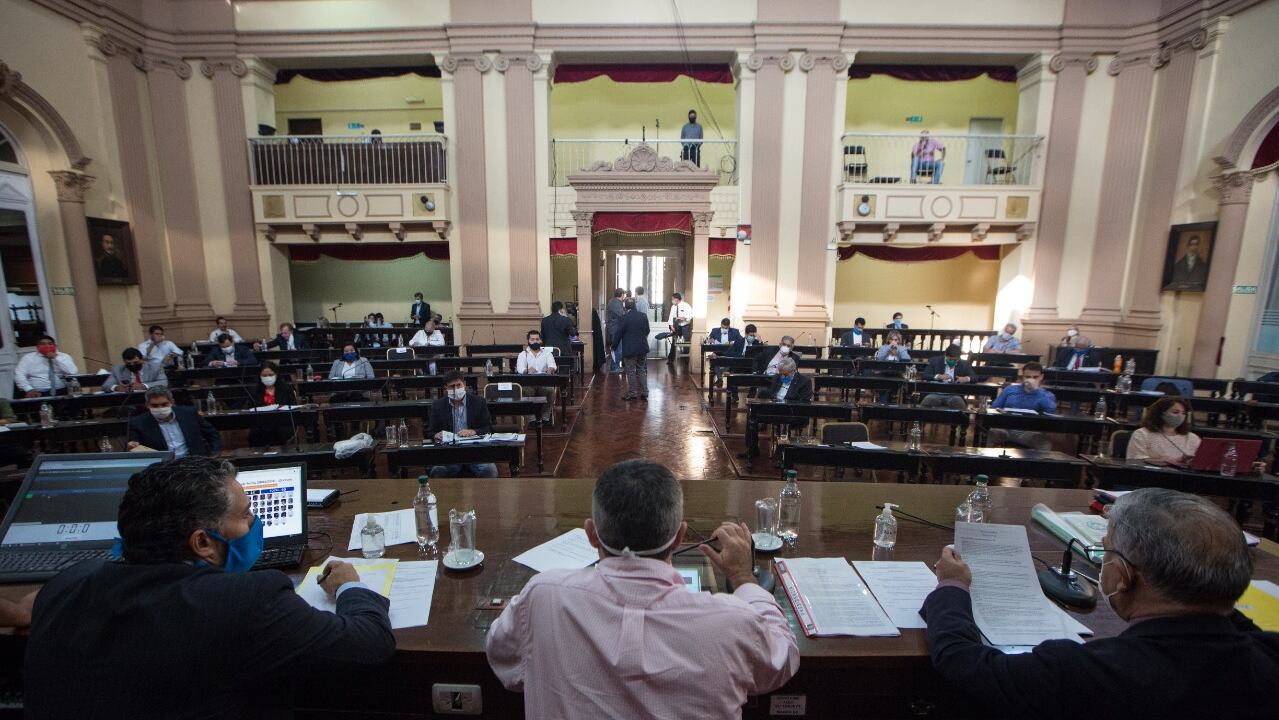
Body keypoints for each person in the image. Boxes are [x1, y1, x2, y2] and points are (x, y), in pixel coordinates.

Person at [24, 457, 395, 717]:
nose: (255, 520)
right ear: (203, 543)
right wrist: (350, 587)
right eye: (246, 514)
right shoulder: (246, 602)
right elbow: (369, 643)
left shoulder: (66, 585)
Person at [921, 487, 1278, 720]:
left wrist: (952, 585)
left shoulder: (1088, 672)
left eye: (1105, 550)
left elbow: (963, 661)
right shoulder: (1267, 657)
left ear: (1122, 576)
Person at [486, 460, 799, 718]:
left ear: (592, 535)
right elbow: (782, 660)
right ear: (679, 538)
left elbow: (504, 659)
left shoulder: (543, 597)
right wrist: (743, 577)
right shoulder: (731, 621)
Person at [426, 371, 496, 478]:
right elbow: (430, 432)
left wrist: (474, 431)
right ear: (446, 388)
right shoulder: (438, 406)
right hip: (449, 454)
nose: (456, 389)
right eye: (452, 386)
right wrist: (436, 435)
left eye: (459, 385)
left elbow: (488, 428)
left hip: (475, 452)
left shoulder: (479, 402)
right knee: (438, 470)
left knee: (489, 470)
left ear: (465, 385)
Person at [127, 387, 221, 457]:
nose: (160, 408)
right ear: (147, 405)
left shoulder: (189, 413)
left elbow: (212, 433)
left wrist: (214, 453)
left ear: (172, 402)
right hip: (162, 468)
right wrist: (133, 445)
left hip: (194, 462)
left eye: (164, 404)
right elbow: (134, 445)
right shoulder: (138, 423)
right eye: (155, 405)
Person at [988, 361, 1055, 451]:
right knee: (988, 434)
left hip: (1029, 432)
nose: (1031, 380)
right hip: (1005, 429)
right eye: (1027, 377)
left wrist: (1036, 391)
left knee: (1044, 444)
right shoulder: (1010, 389)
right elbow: (995, 407)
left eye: (1035, 377)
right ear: (1022, 377)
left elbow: (1051, 410)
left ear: (1041, 377)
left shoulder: (1046, 394)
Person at [1126, 395, 1201, 462]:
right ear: (1161, 413)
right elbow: (1135, 461)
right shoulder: (1142, 434)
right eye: (1175, 412)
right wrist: (1161, 461)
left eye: (1183, 413)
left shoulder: (1193, 438)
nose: (1180, 416)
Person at [247, 364, 299, 446]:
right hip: (261, 423)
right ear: (260, 376)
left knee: (280, 431)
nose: (268, 377)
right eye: (264, 375)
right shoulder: (254, 391)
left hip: (283, 422)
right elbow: (250, 409)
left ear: (276, 375)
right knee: (256, 434)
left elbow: (293, 406)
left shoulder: (286, 388)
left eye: (271, 375)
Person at [15, 335, 79, 397]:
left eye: (50, 344)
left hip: (62, 391)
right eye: (43, 344)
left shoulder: (63, 356)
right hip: (37, 393)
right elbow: (19, 374)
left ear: (55, 346)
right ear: (37, 347)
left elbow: (72, 372)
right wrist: (28, 389)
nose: (47, 346)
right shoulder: (29, 358)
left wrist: (56, 358)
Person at [516, 330, 557, 421]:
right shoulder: (523, 354)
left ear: (540, 341)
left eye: (537, 339)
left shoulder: (547, 353)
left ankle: (545, 416)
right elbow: (519, 368)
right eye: (532, 339)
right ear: (528, 341)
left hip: (544, 383)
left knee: (550, 391)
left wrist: (550, 369)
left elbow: (553, 365)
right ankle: (532, 418)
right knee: (525, 392)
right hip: (528, 384)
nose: (535, 341)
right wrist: (526, 370)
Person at [614, 298, 651, 401]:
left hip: (630, 349)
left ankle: (633, 393)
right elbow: (647, 330)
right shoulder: (643, 316)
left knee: (630, 371)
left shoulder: (624, 318)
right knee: (641, 370)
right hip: (642, 347)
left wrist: (613, 346)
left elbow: (618, 334)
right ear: (634, 305)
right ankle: (645, 393)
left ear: (625, 306)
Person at [920, 345, 976, 409]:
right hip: (936, 392)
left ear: (959, 358)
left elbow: (974, 377)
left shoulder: (964, 364)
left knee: (958, 403)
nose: (952, 361)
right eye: (949, 359)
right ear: (945, 355)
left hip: (954, 394)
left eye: (955, 360)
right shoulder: (934, 361)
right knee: (929, 400)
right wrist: (938, 376)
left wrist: (966, 378)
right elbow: (925, 375)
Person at [666, 292, 693, 363]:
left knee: (685, 343)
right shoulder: (673, 307)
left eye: (673, 299)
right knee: (674, 342)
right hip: (676, 326)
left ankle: (685, 360)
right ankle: (671, 359)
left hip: (685, 326)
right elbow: (671, 317)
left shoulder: (686, 305)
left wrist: (683, 318)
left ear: (677, 299)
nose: (672, 301)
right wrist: (671, 325)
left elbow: (690, 316)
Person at [605, 288, 626, 373]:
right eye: (624, 294)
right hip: (615, 329)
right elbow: (622, 314)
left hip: (615, 329)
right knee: (617, 349)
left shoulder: (614, 301)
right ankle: (614, 368)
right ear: (621, 295)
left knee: (618, 349)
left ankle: (615, 366)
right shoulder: (615, 303)